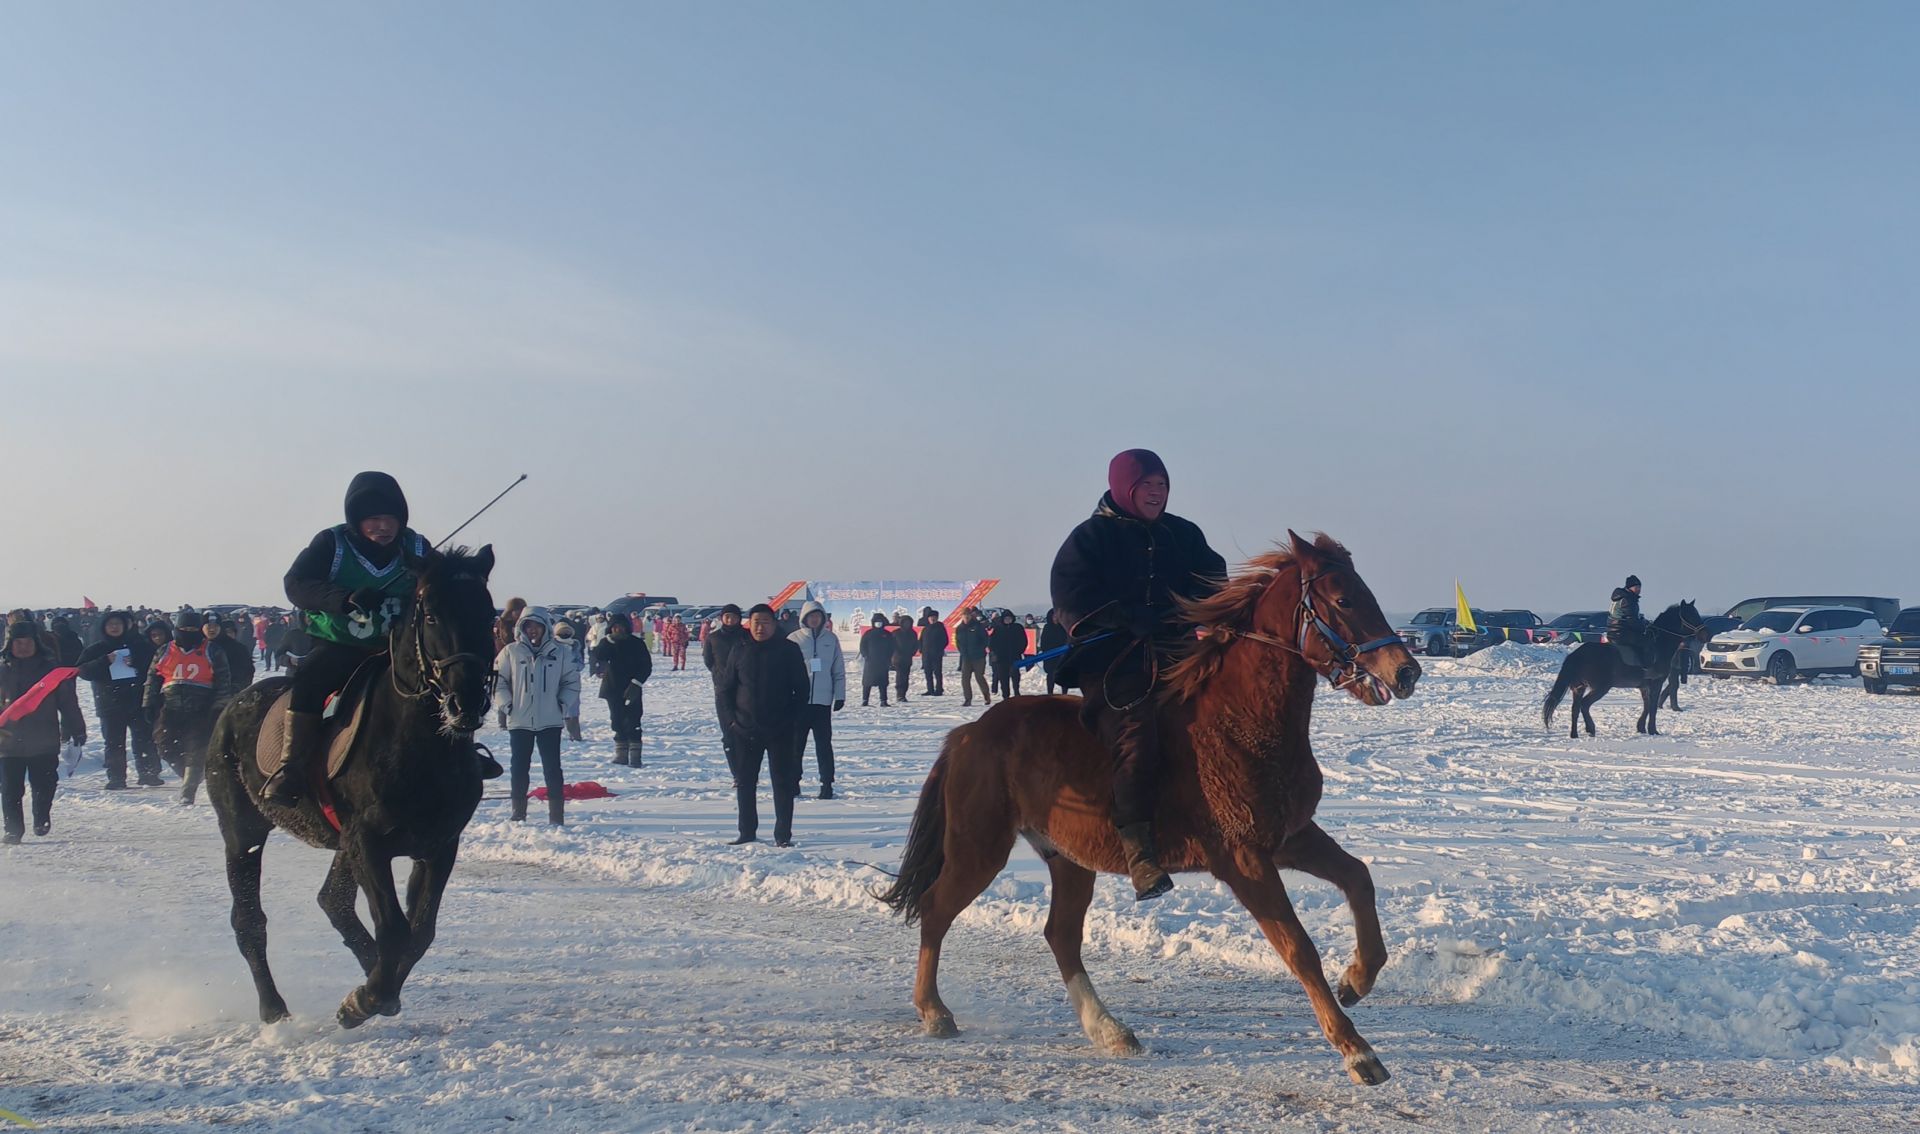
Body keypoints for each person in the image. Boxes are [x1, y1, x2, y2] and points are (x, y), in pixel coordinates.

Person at [1051, 448, 1226, 901]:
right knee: (1137, 734)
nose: (1157, 493)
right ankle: (1140, 851)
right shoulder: (1090, 537)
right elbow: (1070, 597)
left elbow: (1213, 578)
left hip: (1177, 651)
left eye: (1163, 485)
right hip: (1114, 660)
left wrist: (1197, 614)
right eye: (1147, 485)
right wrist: (1127, 616)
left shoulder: (1183, 534)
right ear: (1123, 486)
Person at [264, 471, 431, 806]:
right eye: (374, 520)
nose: (384, 527)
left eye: (390, 519)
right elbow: (296, 583)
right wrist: (345, 598)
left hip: (396, 649)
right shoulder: (331, 543)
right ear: (357, 521)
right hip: (340, 645)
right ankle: (291, 768)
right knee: (309, 682)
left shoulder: (417, 547)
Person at [715, 604, 809, 846]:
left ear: (774, 623)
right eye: (756, 622)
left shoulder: (788, 650)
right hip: (745, 729)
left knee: (782, 783)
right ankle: (746, 832)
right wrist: (731, 722)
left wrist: (793, 721)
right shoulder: (740, 649)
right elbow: (726, 689)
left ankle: (783, 835)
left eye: (765, 622)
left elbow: (801, 689)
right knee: (745, 783)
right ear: (749, 623)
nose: (760, 627)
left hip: (781, 730)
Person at [0, 621, 86, 842]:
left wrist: (76, 729)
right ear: (10, 644)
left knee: (44, 784)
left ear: (36, 642)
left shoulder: (50, 671)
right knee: (10, 788)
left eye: (27, 641)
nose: (23, 646)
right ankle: (13, 829)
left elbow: (68, 703)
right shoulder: (2, 669)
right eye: (18, 642)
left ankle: (41, 817)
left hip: (43, 739)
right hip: (7, 741)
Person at [493, 607, 580, 824]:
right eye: (528, 626)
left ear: (545, 628)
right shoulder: (510, 652)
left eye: (537, 626)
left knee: (552, 768)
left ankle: (556, 815)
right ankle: (518, 811)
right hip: (519, 721)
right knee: (519, 768)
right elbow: (499, 682)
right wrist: (508, 705)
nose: (533, 630)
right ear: (521, 628)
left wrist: (561, 704)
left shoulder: (560, 653)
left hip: (549, 721)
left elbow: (571, 682)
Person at [144, 610, 231, 790]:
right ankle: (191, 775)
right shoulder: (165, 650)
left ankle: (188, 789)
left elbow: (223, 681)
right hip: (170, 707)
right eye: (184, 628)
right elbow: (153, 678)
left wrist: (218, 706)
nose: (188, 632)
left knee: (196, 747)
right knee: (164, 745)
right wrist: (149, 702)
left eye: (192, 628)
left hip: (201, 707)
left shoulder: (212, 650)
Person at [75, 611, 159, 789]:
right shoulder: (96, 649)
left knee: (143, 739)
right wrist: (104, 661)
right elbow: (82, 671)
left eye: (118, 624)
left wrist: (136, 662)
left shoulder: (140, 645)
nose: (114, 627)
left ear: (125, 626)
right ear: (104, 627)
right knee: (114, 742)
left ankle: (149, 774)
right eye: (110, 624)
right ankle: (116, 777)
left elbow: (156, 666)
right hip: (109, 703)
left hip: (137, 701)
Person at [789, 601, 845, 799]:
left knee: (824, 745)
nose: (814, 619)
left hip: (822, 702)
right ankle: (793, 783)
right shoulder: (793, 639)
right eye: (811, 616)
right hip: (798, 703)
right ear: (804, 618)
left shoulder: (831, 639)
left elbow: (838, 670)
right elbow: (783, 671)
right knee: (796, 745)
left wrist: (840, 695)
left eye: (818, 616)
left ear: (823, 618)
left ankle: (827, 784)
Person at [590, 614, 652, 767]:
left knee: (633, 720)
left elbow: (646, 666)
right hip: (612, 687)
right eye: (615, 627)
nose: (619, 629)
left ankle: (635, 756)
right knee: (616, 720)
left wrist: (636, 683)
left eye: (621, 626)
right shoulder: (607, 642)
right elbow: (598, 656)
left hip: (632, 687)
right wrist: (608, 641)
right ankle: (621, 753)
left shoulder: (637, 643)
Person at [703, 603, 750, 763]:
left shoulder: (747, 636)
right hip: (723, 690)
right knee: (728, 733)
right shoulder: (713, 638)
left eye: (734, 617)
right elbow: (709, 661)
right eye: (727, 616)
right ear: (722, 618)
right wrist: (719, 676)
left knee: (746, 732)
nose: (730, 620)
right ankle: (736, 772)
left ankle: (747, 771)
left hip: (745, 688)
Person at [202, 615, 256, 710]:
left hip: (228, 701)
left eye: (215, 626)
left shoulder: (237, 648)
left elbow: (246, 672)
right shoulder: (194, 647)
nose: (212, 629)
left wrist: (233, 692)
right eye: (209, 626)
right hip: (198, 700)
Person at [1609, 575, 1650, 670]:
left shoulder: (1620, 597)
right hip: (1622, 632)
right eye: (1636, 587)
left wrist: (1643, 621)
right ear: (1630, 587)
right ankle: (1643, 668)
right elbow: (1632, 620)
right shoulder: (1628, 599)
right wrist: (1644, 626)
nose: (1639, 589)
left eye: (1640, 587)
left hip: (1613, 630)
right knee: (1645, 641)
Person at [953, 605, 991, 707]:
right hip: (966, 657)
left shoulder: (977, 626)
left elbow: (985, 639)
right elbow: (958, 642)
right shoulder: (959, 628)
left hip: (978, 656)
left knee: (979, 677)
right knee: (965, 678)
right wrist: (962, 652)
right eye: (964, 615)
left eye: (968, 615)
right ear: (961, 616)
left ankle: (986, 696)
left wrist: (981, 649)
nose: (966, 617)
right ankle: (968, 699)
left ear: (971, 616)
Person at [988, 610, 1029, 700]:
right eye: (1006, 618)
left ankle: (1016, 692)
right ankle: (1005, 695)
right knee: (1003, 677)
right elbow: (991, 642)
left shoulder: (1018, 628)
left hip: (1015, 656)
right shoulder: (998, 629)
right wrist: (995, 653)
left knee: (1015, 676)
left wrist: (1020, 651)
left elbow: (1024, 641)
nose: (1008, 620)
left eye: (1009, 618)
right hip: (1001, 658)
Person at [859, 613, 895, 707]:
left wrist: (888, 657)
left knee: (883, 682)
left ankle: (883, 701)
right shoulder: (868, 633)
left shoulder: (887, 634)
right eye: (876, 622)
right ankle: (865, 700)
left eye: (880, 622)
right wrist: (866, 655)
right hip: (870, 662)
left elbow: (892, 647)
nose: (878, 624)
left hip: (883, 662)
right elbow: (862, 646)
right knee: (867, 682)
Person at [1039, 607, 1070, 695]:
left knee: (1064, 674)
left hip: (1063, 655)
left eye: (1057, 617)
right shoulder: (1047, 627)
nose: (1056, 619)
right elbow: (1044, 642)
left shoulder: (1064, 627)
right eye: (1054, 617)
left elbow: (1068, 639)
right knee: (1051, 675)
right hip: (1051, 656)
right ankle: (1050, 693)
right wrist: (1047, 652)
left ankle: (1064, 694)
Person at [918, 608, 948, 696]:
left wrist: (939, 649)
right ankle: (930, 689)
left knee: (937, 672)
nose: (932, 619)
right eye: (931, 617)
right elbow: (920, 640)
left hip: (937, 654)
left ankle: (939, 689)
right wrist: (921, 649)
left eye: (934, 617)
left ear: (937, 618)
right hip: (926, 654)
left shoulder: (940, 628)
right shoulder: (925, 628)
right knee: (928, 672)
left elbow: (945, 641)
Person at [891, 613, 918, 702]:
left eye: (909, 623)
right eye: (905, 623)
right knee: (900, 676)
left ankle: (903, 694)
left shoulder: (913, 633)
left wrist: (912, 653)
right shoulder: (896, 633)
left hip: (908, 658)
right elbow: (891, 645)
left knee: (905, 677)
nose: (907, 624)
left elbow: (916, 645)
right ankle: (899, 694)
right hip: (898, 658)